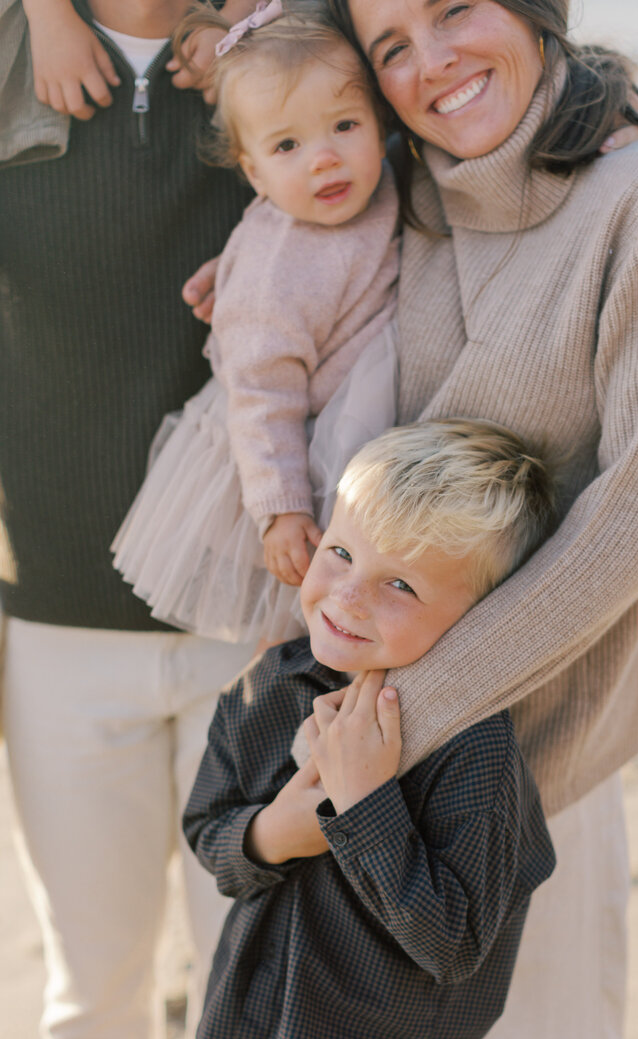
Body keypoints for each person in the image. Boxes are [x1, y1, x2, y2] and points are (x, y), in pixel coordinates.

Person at [177, 0, 638, 1039]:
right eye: (390, 45)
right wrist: (248, 274)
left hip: (525, 771)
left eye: (453, 11)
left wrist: (396, 726)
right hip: (357, 767)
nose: (428, 60)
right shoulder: (419, 197)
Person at [0, 1, 261, 1039]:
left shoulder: (282, 45)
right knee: (88, 984)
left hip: (244, 625)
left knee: (239, 985)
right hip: (53, 621)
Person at [184, 418, 559, 1039]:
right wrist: (271, 834)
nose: (349, 597)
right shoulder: (268, 687)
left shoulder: (474, 750)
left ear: (476, 616)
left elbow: (454, 946)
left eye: (402, 585)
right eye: (342, 554)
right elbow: (206, 833)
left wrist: (364, 803)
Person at [112, 0, 400, 645]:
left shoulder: (382, 182)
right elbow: (261, 394)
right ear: (254, 173)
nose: (323, 159)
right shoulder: (276, 270)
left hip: (344, 423)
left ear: (381, 125)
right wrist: (281, 509)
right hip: (283, 454)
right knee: (300, 606)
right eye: (288, 145)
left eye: (345, 125)